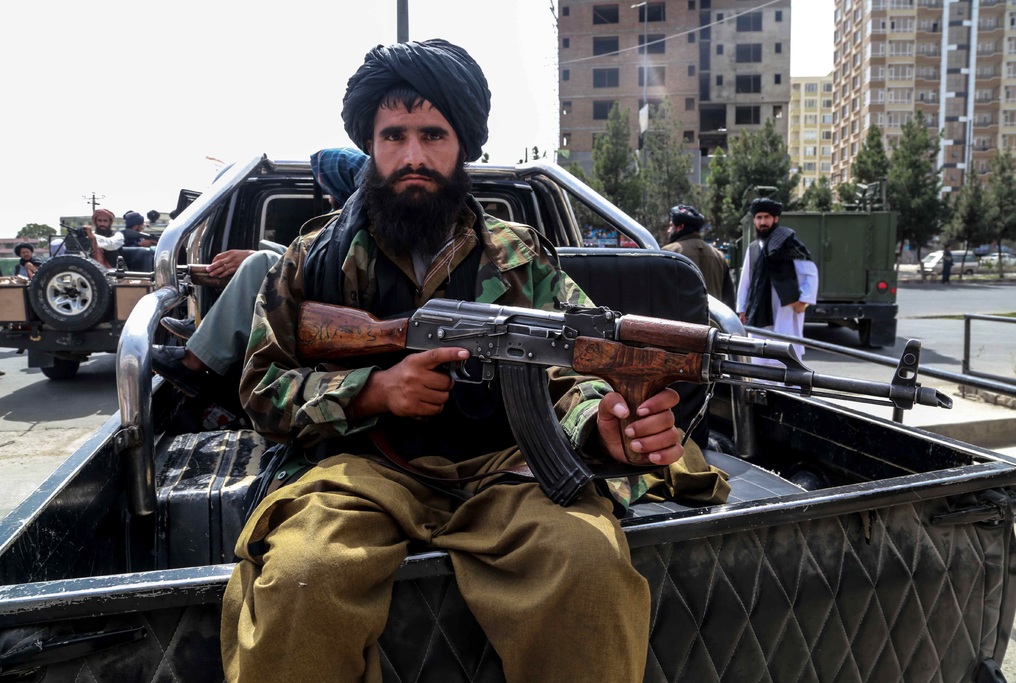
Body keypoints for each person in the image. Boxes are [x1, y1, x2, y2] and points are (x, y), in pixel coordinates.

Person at [220, 39, 686, 683]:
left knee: (589, 566)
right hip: (359, 474)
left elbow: (575, 367)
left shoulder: (518, 256)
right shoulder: (315, 259)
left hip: (508, 473)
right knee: (302, 581)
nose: (413, 155)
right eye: (394, 136)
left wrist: (600, 425)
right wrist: (373, 391)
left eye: (433, 135)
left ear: (463, 144)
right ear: (370, 145)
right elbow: (261, 387)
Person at [150, 147, 368, 396]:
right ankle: (209, 330)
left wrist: (259, 255)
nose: (328, 196)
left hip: (335, 302)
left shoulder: (361, 216)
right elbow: (312, 252)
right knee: (261, 258)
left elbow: (324, 261)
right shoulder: (347, 214)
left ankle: (193, 363)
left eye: (327, 185)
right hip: (325, 290)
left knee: (261, 262)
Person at [736, 197, 819, 360]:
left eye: (767, 217)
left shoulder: (789, 243)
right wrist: (742, 308)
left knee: (785, 360)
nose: (763, 222)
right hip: (759, 311)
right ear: (754, 221)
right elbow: (746, 280)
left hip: (785, 310)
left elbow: (810, 272)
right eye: (759, 218)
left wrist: (803, 301)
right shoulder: (753, 248)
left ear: (775, 219)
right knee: (759, 360)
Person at [662, 204, 736, 309]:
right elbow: (729, 301)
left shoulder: (668, 253)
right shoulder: (719, 256)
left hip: (678, 319)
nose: (668, 230)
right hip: (713, 319)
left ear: (680, 227)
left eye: (671, 225)